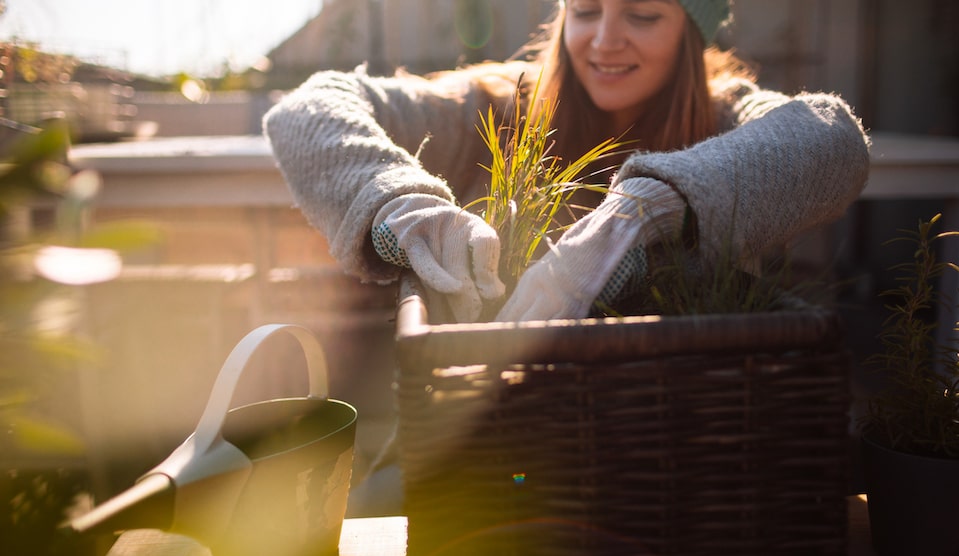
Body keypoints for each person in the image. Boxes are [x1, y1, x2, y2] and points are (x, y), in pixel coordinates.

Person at [263, 0, 870, 514]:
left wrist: (642, 215)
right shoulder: (499, 106)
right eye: (584, 10)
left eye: (641, 14)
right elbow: (307, 111)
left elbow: (832, 135)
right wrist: (407, 208)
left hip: (676, 461)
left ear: (691, 29)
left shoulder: (725, 116)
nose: (605, 40)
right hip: (473, 448)